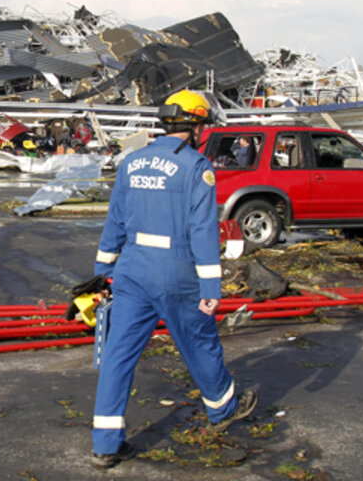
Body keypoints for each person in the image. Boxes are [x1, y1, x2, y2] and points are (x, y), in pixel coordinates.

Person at [90, 89, 257, 469]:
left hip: (131, 271)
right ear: (195, 125)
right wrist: (211, 288)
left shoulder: (131, 162)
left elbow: (115, 220)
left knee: (117, 356)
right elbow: (202, 231)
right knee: (199, 342)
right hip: (177, 272)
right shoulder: (197, 168)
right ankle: (223, 408)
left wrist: (102, 271)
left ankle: (105, 445)